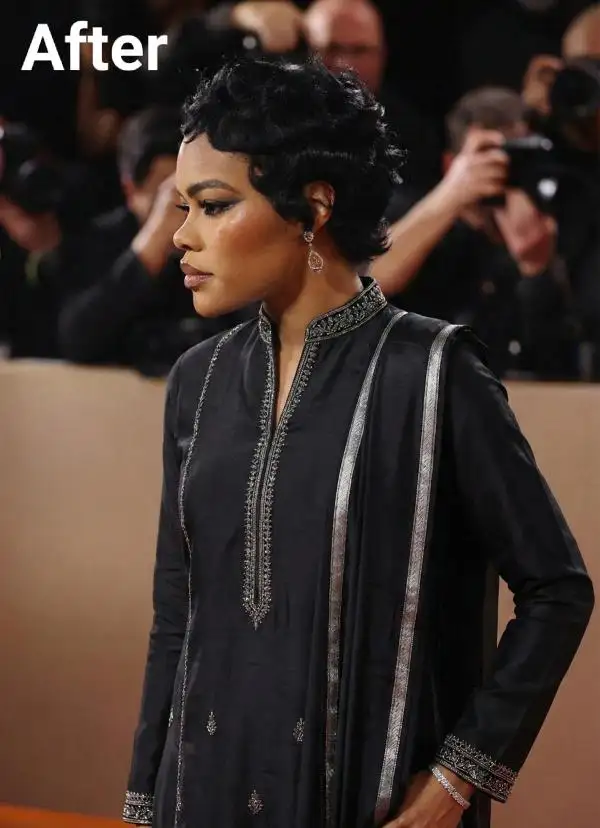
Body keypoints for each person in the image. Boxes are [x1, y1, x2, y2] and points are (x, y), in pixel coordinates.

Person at [122, 57, 594, 828]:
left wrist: (456, 780)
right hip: (202, 793)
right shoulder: (196, 383)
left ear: (312, 207)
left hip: (364, 800)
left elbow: (558, 592)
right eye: (183, 208)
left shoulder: (434, 374)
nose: (182, 236)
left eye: (212, 206)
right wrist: (143, 806)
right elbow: (177, 616)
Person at [371, 86, 580, 379]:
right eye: (488, 154)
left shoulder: (548, 226)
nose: (501, 166)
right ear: (451, 163)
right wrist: (453, 194)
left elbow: (561, 367)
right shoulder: (409, 217)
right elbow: (364, 282)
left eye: (515, 155)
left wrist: (536, 269)